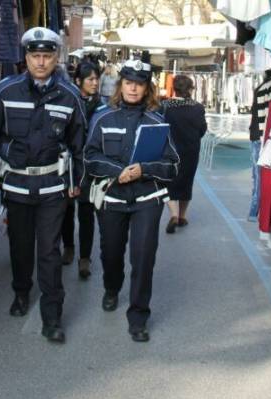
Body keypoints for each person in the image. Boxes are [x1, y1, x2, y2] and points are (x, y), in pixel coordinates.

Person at [0, 27, 86, 343]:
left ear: (56, 57)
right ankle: (21, 292)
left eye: (47, 55)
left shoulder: (70, 96)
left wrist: (76, 182)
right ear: (25, 57)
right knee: (20, 246)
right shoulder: (6, 91)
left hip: (53, 187)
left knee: (49, 252)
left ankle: (53, 317)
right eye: (34, 55)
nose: (40, 62)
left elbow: (80, 145)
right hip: (18, 186)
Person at [84, 52, 180, 342]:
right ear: (120, 85)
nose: (133, 88)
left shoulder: (157, 121)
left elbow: (174, 164)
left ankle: (138, 316)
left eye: (139, 83)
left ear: (147, 87)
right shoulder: (102, 117)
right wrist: (118, 172)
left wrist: (144, 169)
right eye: (128, 82)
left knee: (143, 257)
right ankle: (112, 288)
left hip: (147, 201)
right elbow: (89, 158)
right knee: (111, 253)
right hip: (112, 199)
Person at [61, 61, 102, 278]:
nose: (95, 83)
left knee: (86, 212)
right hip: (68, 164)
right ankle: (68, 246)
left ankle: (84, 257)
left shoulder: (102, 105)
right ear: (78, 81)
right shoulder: (67, 101)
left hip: (89, 166)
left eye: (97, 79)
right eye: (90, 79)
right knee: (66, 209)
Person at [161, 75, 207, 234]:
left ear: (174, 88)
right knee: (186, 182)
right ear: (190, 89)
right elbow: (202, 129)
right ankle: (182, 216)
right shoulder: (198, 108)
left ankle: (173, 214)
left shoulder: (165, 106)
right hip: (191, 150)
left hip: (170, 150)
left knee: (169, 182)